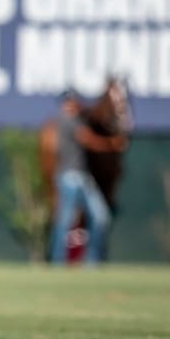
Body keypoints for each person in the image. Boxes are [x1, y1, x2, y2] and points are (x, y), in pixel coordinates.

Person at [49, 90, 127, 265]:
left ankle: (93, 261)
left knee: (100, 216)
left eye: (76, 101)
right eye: (71, 101)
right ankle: (57, 261)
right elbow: (88, 139)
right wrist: (112, 144)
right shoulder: (66, 120)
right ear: (66, 104)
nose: (75, 104)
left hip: (83, 177)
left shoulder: (77, 118)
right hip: (69, 177)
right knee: (65, 221)